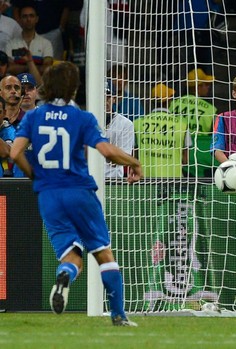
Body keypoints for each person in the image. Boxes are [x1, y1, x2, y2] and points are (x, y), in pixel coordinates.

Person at [10, 61, 142, 326]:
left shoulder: (34, 116)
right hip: (79, 190)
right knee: (103, 253)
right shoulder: (82, 118)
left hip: (48, 195)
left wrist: (35, 174)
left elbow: (15, 152)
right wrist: (134, 162)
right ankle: (118, 316)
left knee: (71, 255)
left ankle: (65, 276)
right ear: (72, 88)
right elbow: (106, 151)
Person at [168, 68, 218, 177]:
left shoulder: (173, 104)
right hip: (200, 154)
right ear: (198, 86)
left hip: (175, 152)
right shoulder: (210, 109)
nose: (208, 87)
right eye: (206, 84)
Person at [134, 83, 189, 177]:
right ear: (169, 101)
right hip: (174, 180)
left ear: (151, 101)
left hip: (145, 180)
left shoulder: (138, 123)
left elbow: (133, 155)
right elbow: (185, 160)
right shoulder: (182, 125)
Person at [5, 4, 53, 77]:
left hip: (39, 85)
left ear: (37, 19)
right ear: (20, 20)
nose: (28, 19)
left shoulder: (46, 43)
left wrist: (22, 67)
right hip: (17, 85)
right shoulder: (10, 44)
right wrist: (31, 66)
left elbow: (47, 69)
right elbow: (9, 68)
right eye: (25, 16)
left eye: (31, 16)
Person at [104, 80, 134, 179]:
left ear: (114, 99)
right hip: (90, 180)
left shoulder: (126, 124)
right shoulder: (87, 121)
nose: (105, 101)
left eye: (108, 97)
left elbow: (123, 158)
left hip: (114, 181)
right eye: (102, 97)